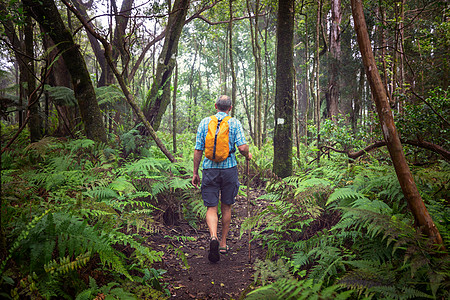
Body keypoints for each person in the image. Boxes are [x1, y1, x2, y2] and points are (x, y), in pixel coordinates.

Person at [192, 95, 252, 263]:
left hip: (209, 169)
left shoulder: (205, 122)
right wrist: (248, 155)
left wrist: (195, 172)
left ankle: (213, 237)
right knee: (226, 206)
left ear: (216, 105)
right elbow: (242, 147)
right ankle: (223, 243)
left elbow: (198, 150)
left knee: (211, 207)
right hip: (229, 169)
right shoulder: (234, 123)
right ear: (230, 108)